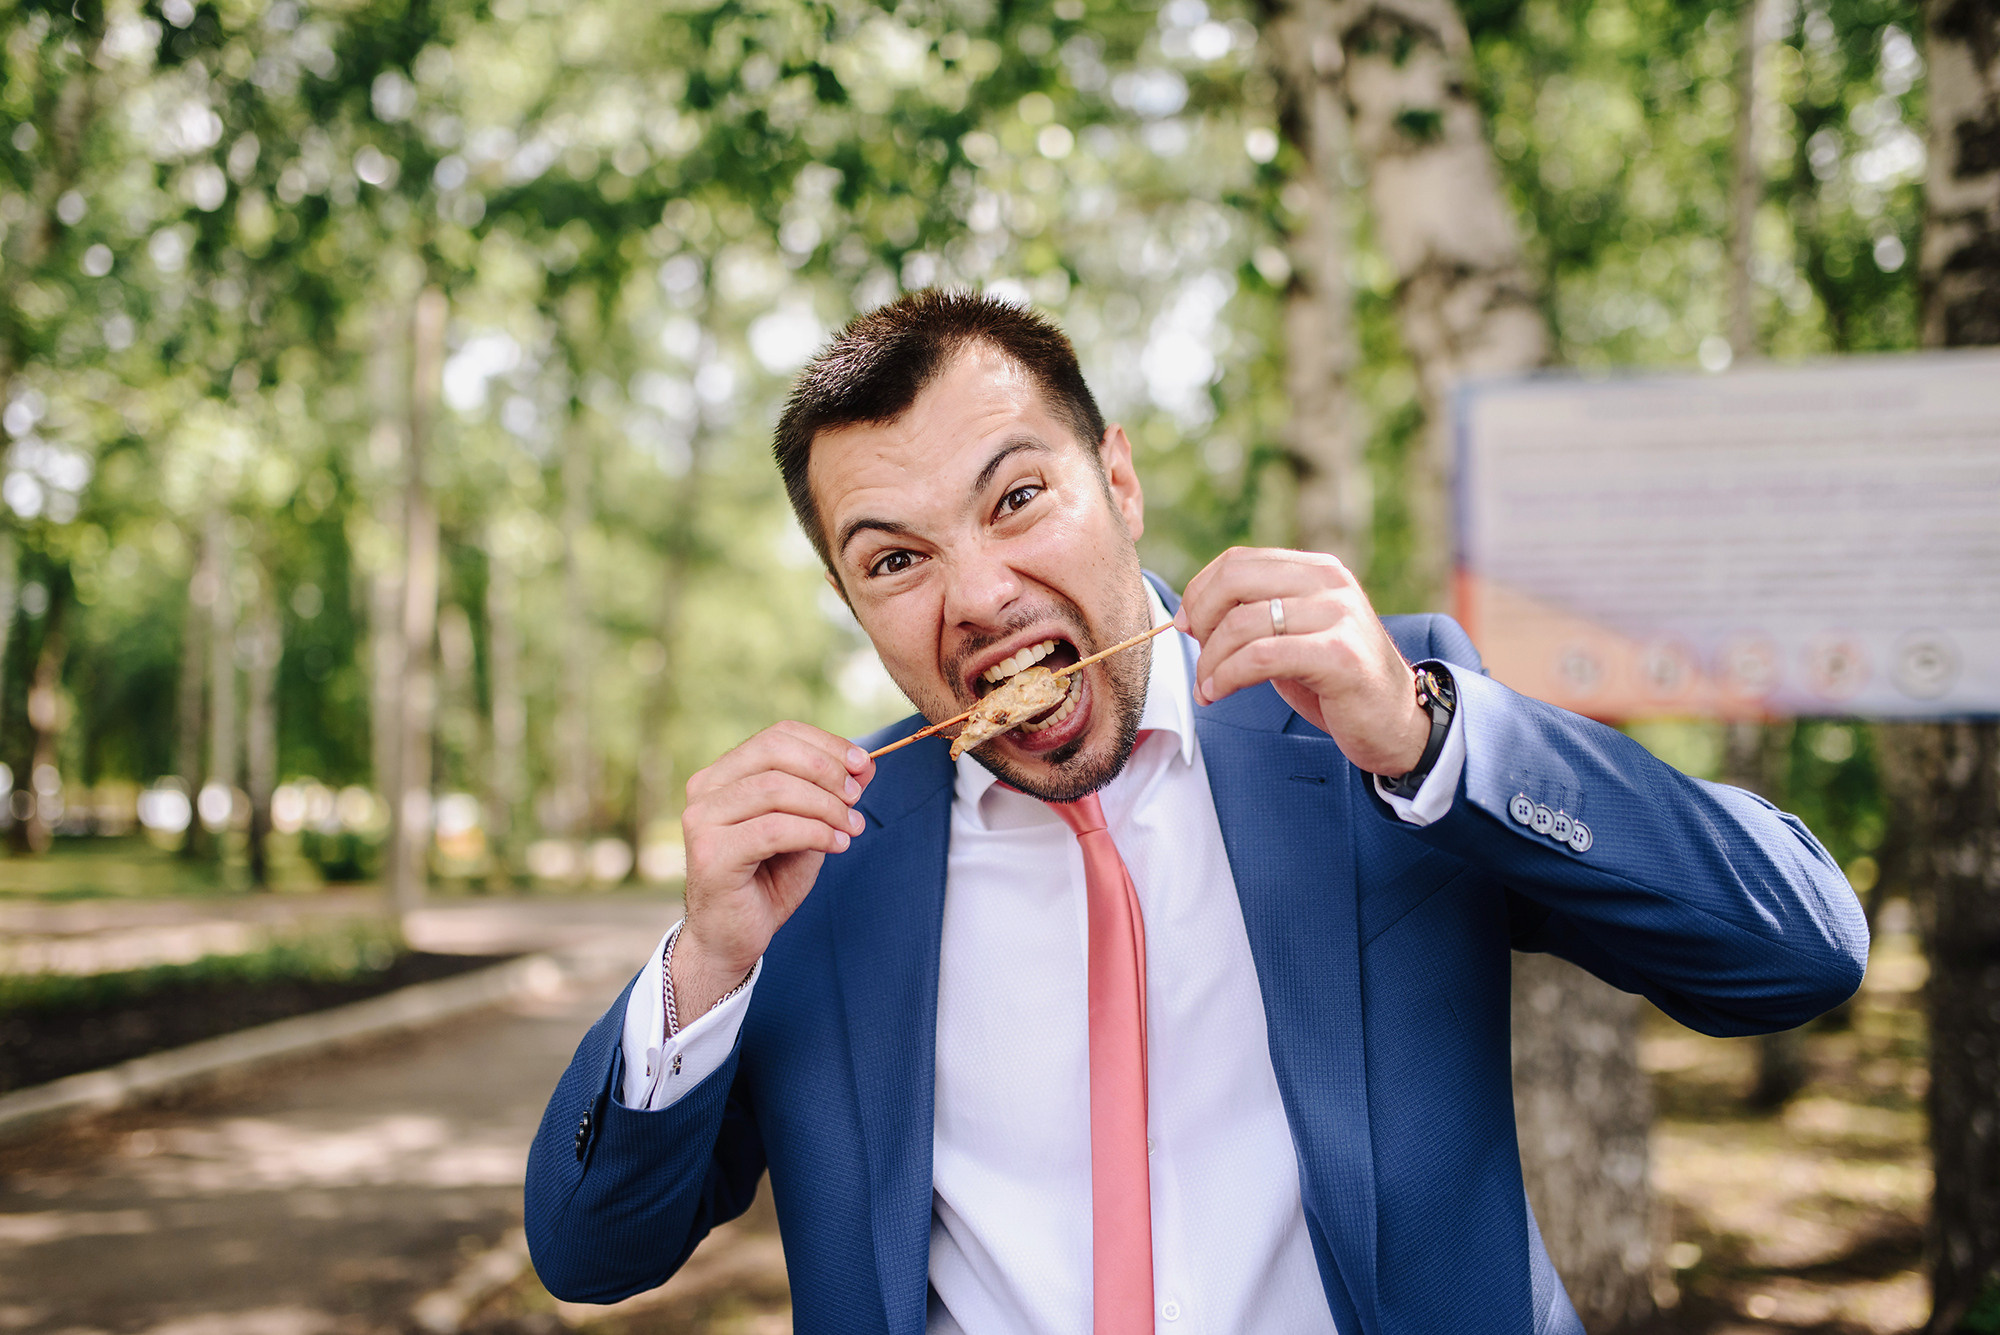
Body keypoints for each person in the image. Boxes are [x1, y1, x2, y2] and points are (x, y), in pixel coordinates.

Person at [525, 290, 1867, 1335]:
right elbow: (592, 1254)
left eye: (1019, 498)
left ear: (1119, 480)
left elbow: (1800, 952)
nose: (981, 593)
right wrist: (705, 965)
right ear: (851, 600)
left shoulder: (1366, 723)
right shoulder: (824, 870)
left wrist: (1426, 733)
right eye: (895, 559)